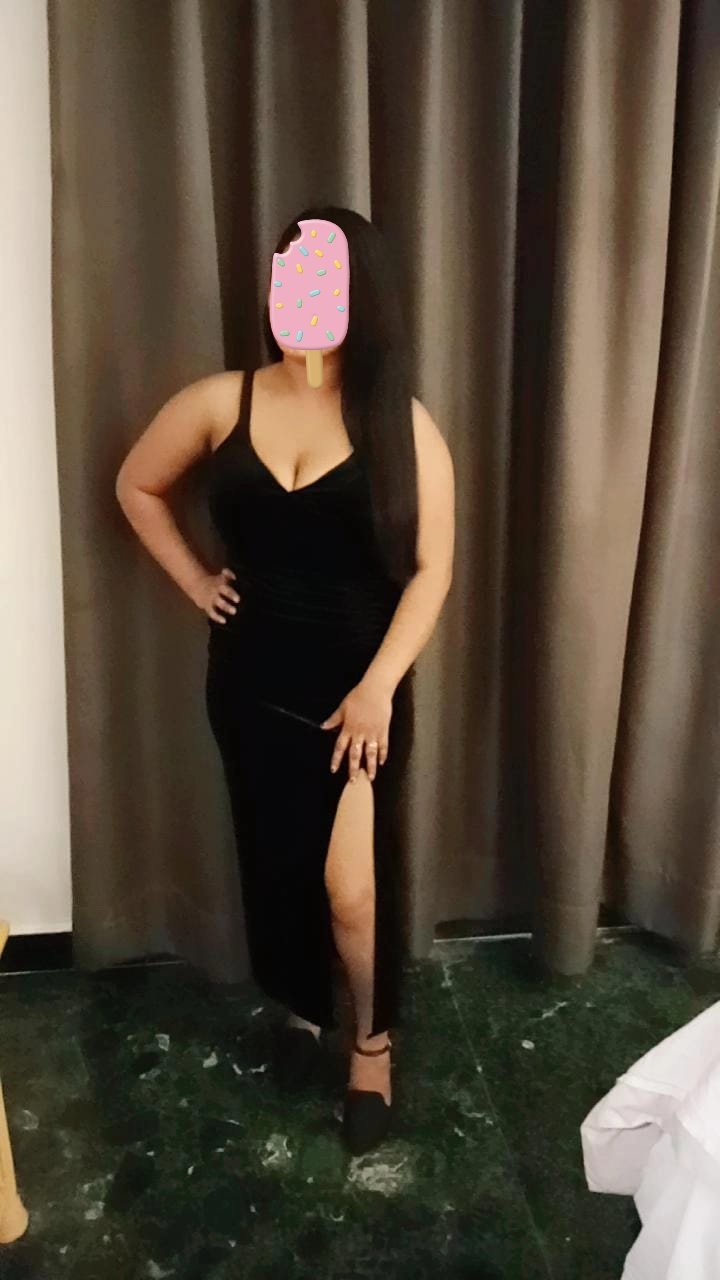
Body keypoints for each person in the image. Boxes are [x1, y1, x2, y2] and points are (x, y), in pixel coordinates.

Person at [115, 206, 454, 1153]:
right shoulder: (222, 401)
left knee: (351, 890)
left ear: (361, 294)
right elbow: (136, 485)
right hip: (248, 682)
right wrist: (196, 582)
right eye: (290, 273)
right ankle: (302, 1008)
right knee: (273, 862)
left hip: (355, 696)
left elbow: (434, 570)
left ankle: (372, 1048)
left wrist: (380, 687)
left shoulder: (400, 423)